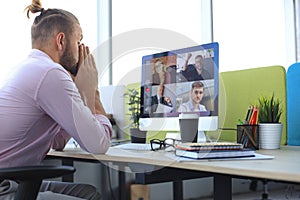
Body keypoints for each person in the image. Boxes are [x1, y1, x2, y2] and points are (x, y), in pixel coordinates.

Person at [0, 0, 112, 199]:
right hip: (5, 186)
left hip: (11, 179)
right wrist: (91, 92)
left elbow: (57, 142)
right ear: (61, 41)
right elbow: (99, 145)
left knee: (87, 193)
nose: (82, 50)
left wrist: (79, 95)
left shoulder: (29, 68)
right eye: (79, 41)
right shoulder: (50, 73)